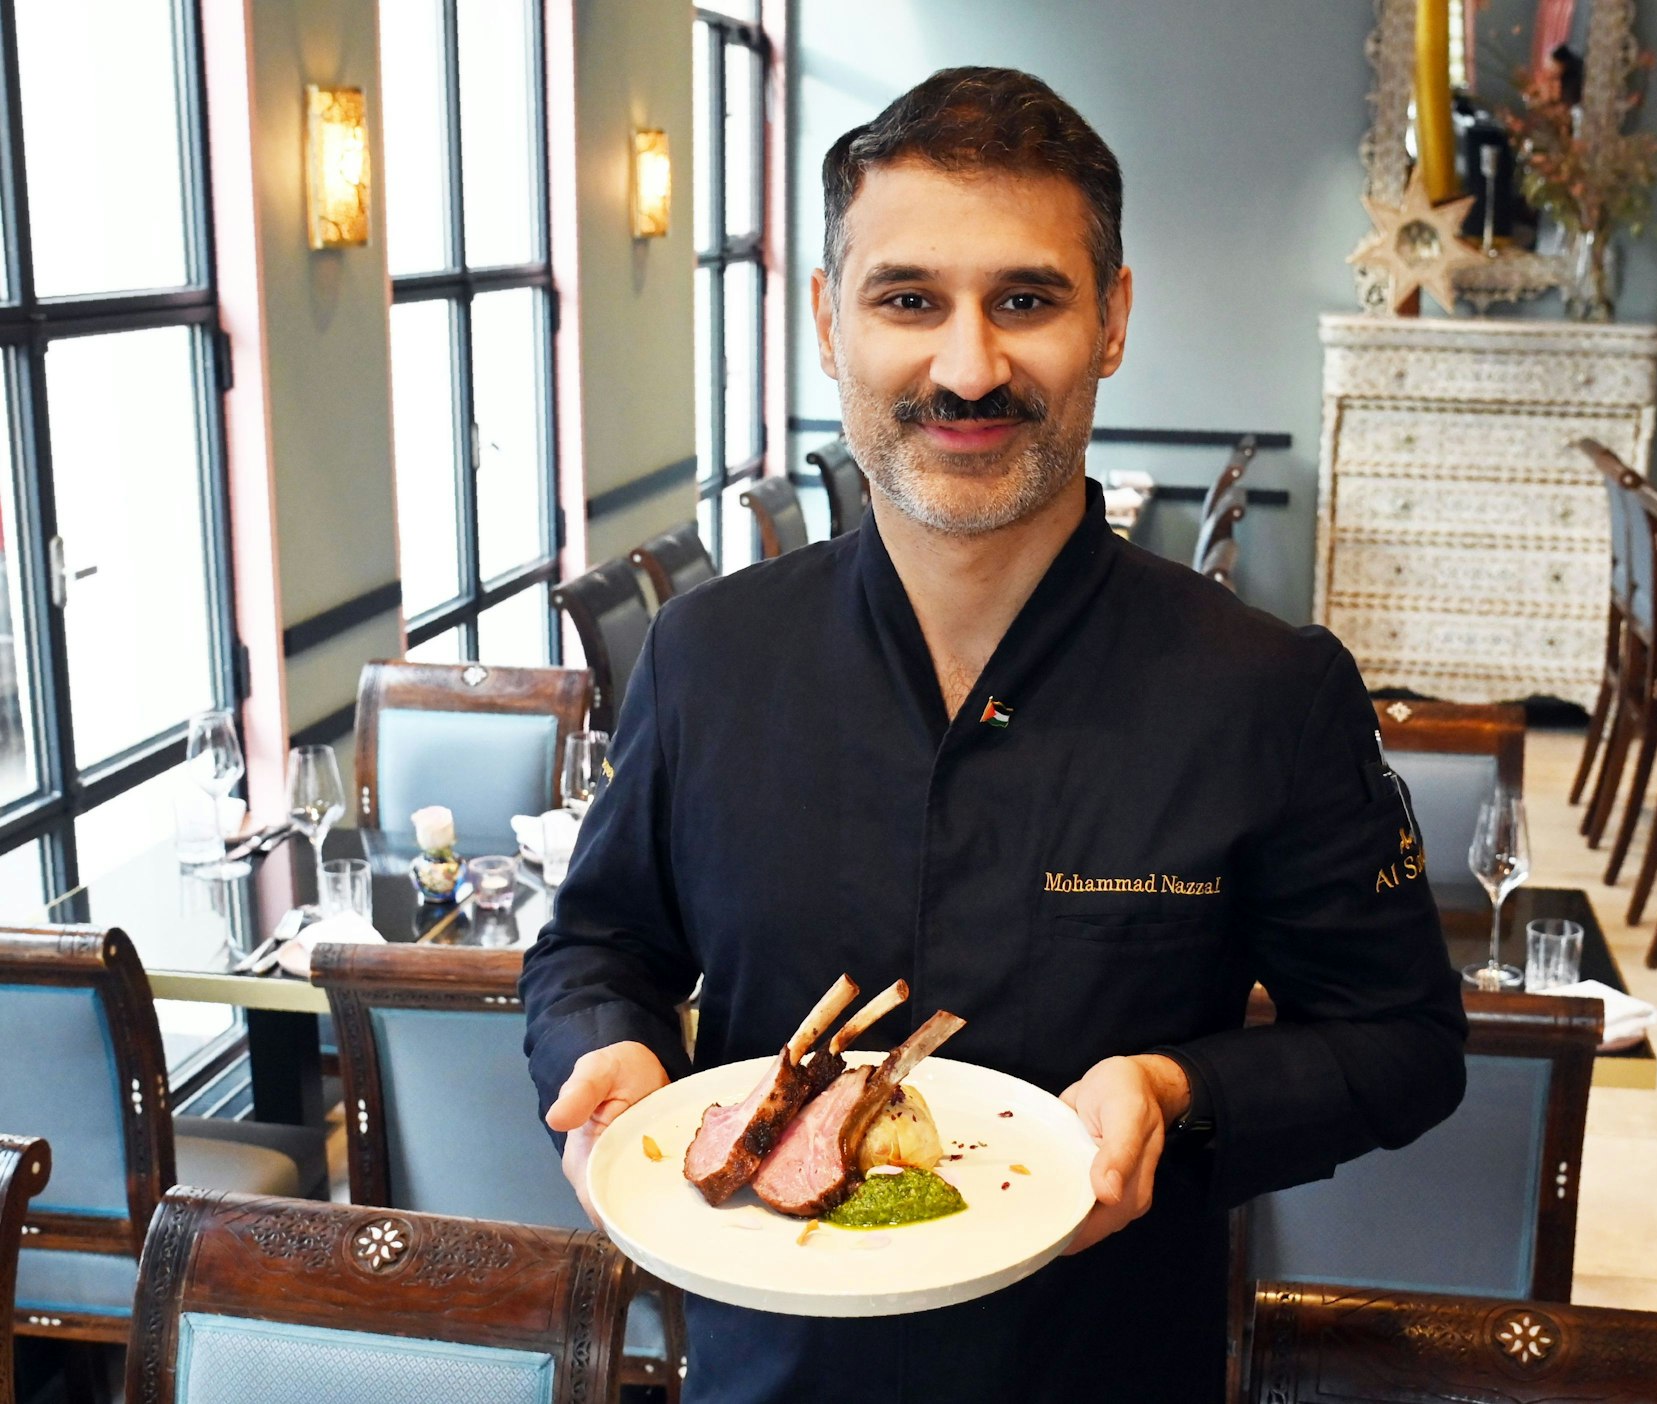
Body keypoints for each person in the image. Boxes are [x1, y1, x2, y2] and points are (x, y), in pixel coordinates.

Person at [522, 65, 1465, 1404]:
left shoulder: (1271, 687)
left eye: (1026, 300)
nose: (969, 366)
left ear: (1114, 319)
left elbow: (1405, 1043)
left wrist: (1173, 1086)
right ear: (827, 324)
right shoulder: (708, 657)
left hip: (1109, 1367)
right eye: (910, 300)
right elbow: (597, 945)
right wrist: (602, 1045)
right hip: (764, 1376)